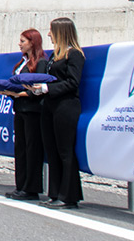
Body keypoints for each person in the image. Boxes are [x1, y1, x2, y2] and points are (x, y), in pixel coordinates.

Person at [31, 17, 85, 209]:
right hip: (50, 105)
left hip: (66, 106)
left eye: (51, 31)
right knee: (52, 149)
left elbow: (73, 82)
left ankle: (69, 195)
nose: (49, 35)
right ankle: (55, 192)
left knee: (65, 150)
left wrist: (48, 89)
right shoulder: (55, 56)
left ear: (61, 32)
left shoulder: (74, 54)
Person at [5, 28, 47, 201]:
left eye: (23, 41)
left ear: (32, 42)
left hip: (33, 110)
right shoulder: (22, 62)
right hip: (20, 109)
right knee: (21, 148)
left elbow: (39, 88)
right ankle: (20, 185)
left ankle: (31, 187)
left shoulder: (41, 62)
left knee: (32, 149)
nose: (19, 44)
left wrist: (19, 94)